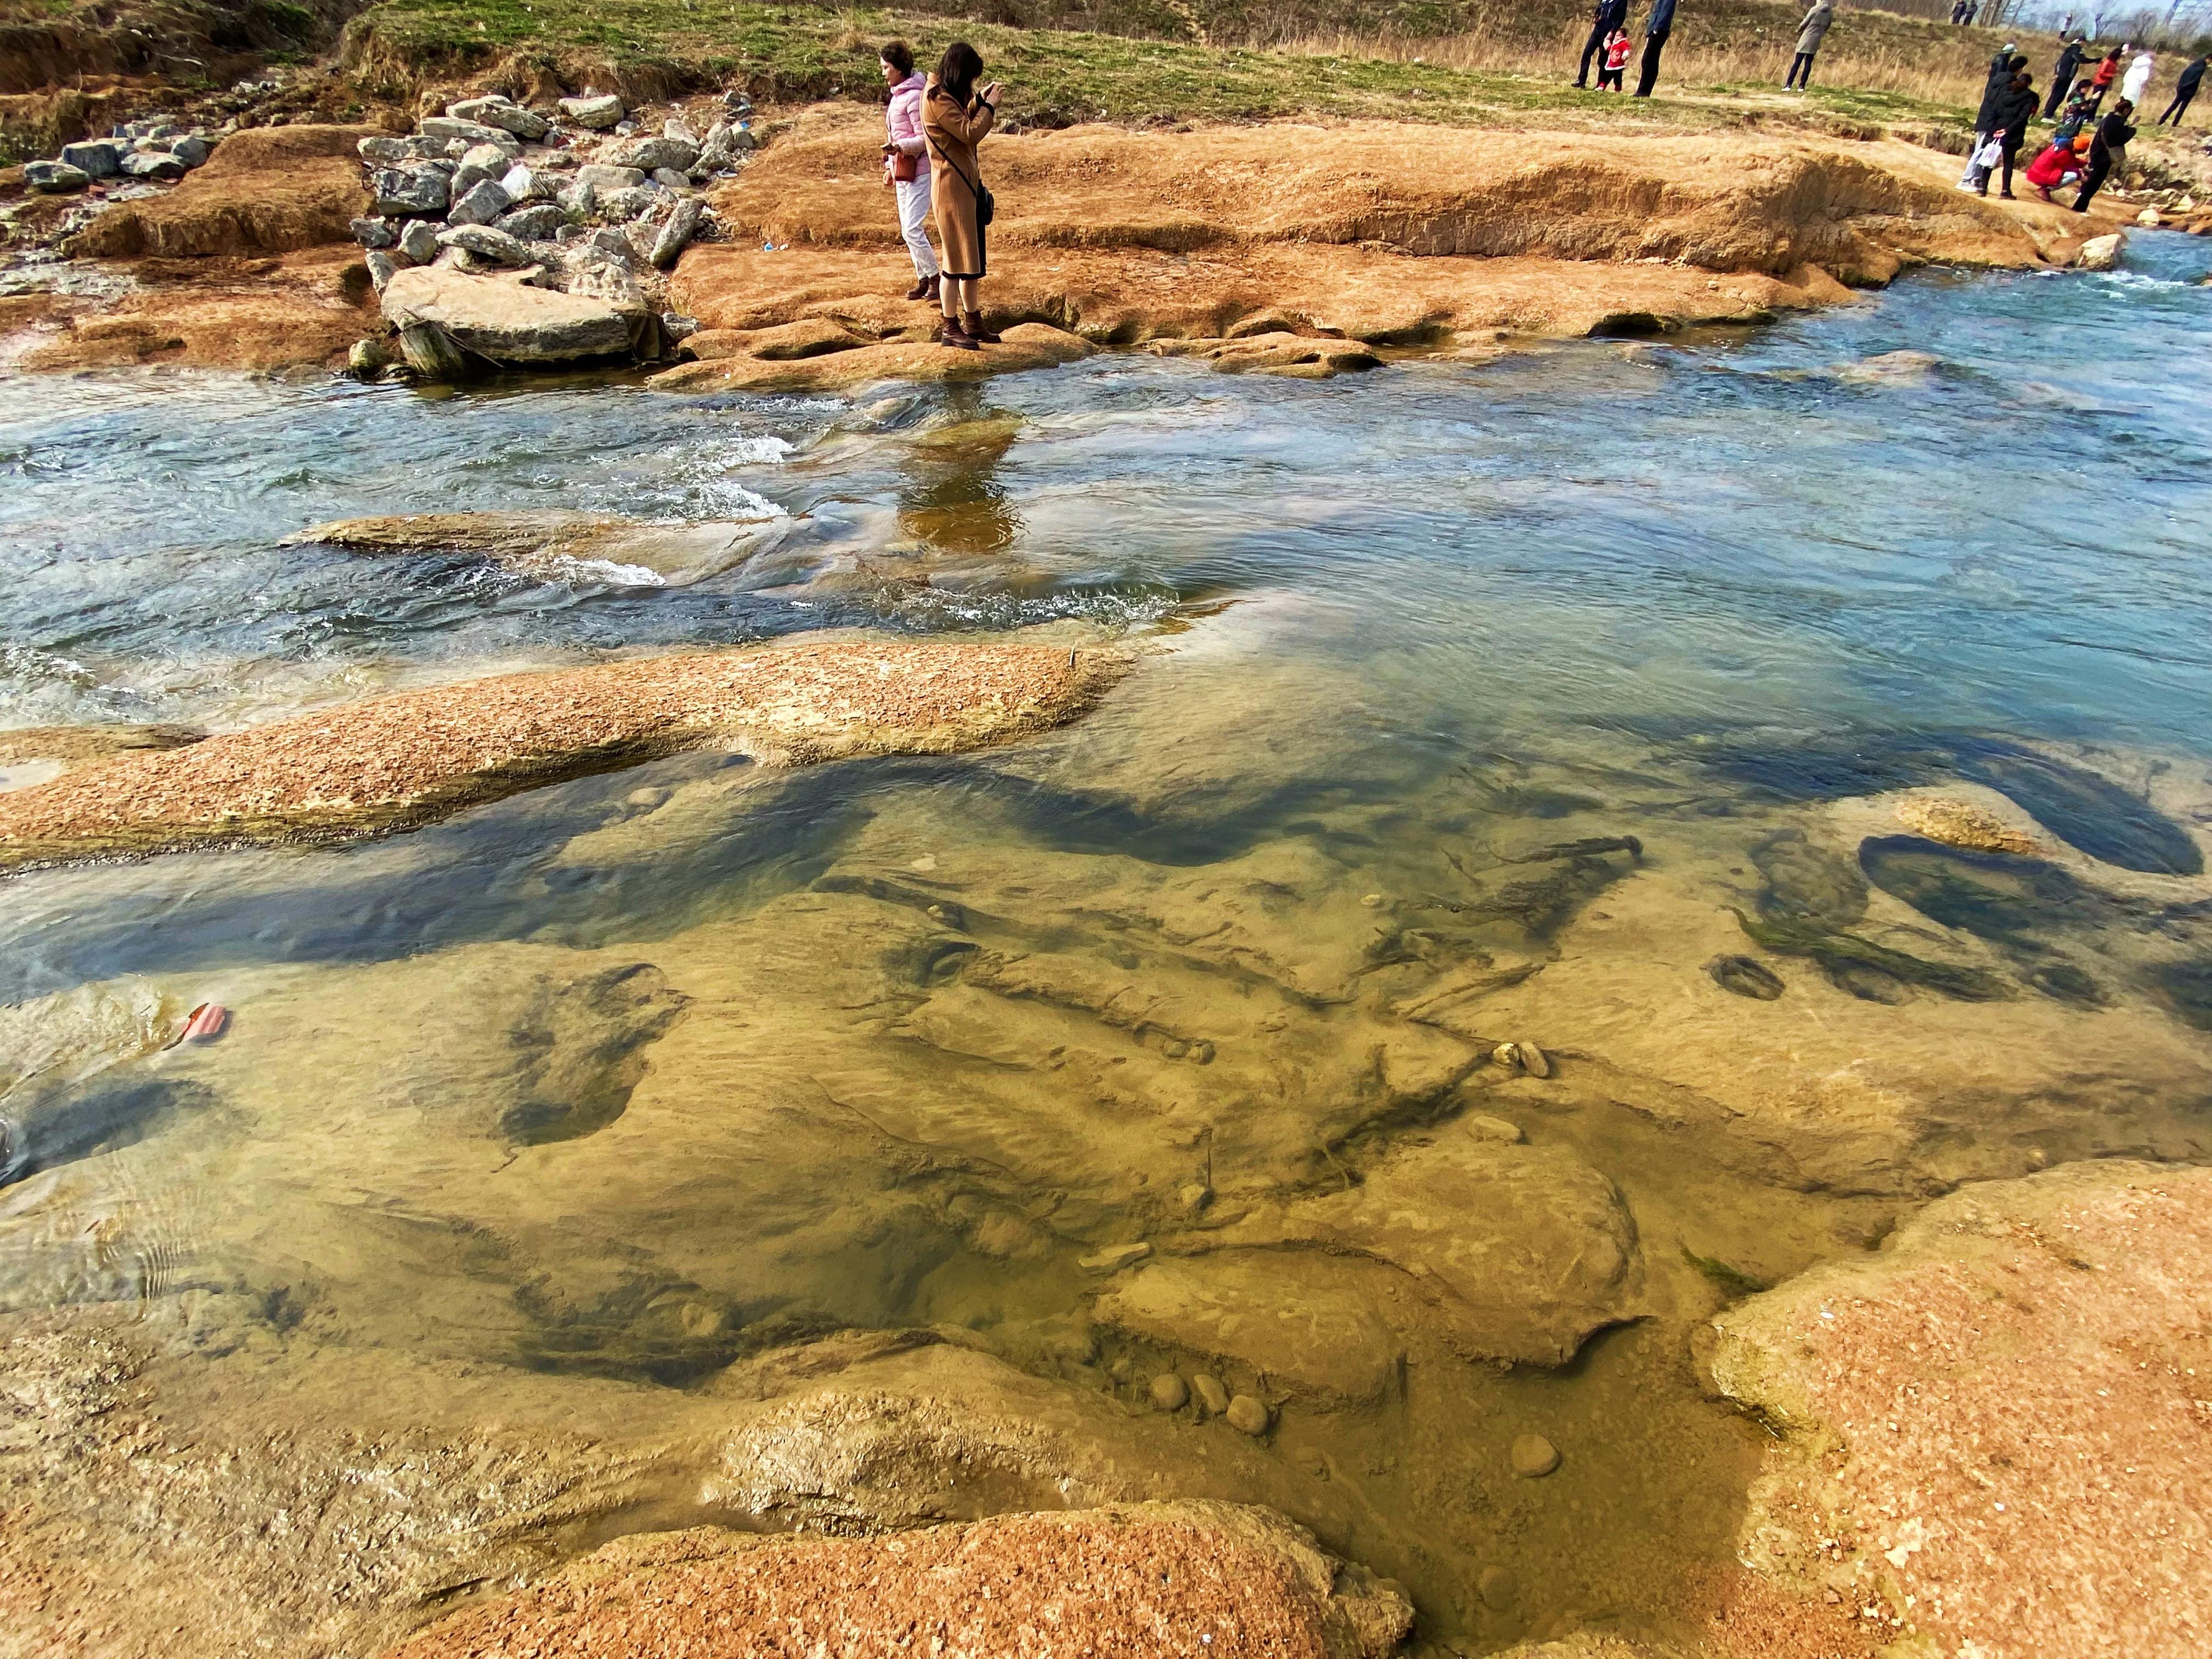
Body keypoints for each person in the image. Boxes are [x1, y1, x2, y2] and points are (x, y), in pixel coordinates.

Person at [923, 41, 1002, 351]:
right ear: (959, 74)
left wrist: (980, 99)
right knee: (954, 263)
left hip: (963, 188)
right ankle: (949, 327)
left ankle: (973, 322)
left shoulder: (944, 94)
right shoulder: (936, 99)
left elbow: (961, 120)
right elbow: (968, 132)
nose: (969, 86)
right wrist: (990, 108)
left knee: (972, 259)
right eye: (969, 80)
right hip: (950, 190)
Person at [878, 42, 939, 304]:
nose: (883, 73)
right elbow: (895, 135)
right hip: (903, 170)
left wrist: (900, 148)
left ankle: (935, 278)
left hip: (920, 171)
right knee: (907, 229)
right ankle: (924, 279)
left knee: (912, 229)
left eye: (886, 67)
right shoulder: (897, 96)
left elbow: (926, 139)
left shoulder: (914, 97)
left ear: (900, 68)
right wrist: (891, 167)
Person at [1962, 47, 2027, 186]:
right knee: (1980, 152)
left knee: (1983, 151)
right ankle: (1966, 180)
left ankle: (1975, 180)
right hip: (1990, 122)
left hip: (1984, 118)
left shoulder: (1996, 78)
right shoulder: (2007, 84)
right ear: (2020, 69)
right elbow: (1999, 106)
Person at [2074, 97, 2135, 212]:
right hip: (2104, 157)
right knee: (2094, 183)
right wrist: (2132, 129)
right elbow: (2119, 139)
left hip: (2097, 152)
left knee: (2091, 180)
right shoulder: (2116, 122)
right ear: (2126, 110)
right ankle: (2079, 208)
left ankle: (2080, 204)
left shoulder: (2109, 118)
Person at [1989, 70, 2039, 198]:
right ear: (2028, 84)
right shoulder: (2029, 98)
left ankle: (1982, 188)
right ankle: (2005, 190)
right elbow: (2022, 118)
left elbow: (1995, 111)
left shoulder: (2003, 94)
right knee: (2008, 163)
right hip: (2013, 133)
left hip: (1997, 130)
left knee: (1989, 157)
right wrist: (2008, 130)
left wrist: (1995, 128)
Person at [1575, 0, 1632, 89]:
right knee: (1586, 53)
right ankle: (1581, 81)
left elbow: (1620, 19)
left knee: (1602, 59)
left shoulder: (1621, 2)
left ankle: (1600, 84)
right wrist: (1596, 17)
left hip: (1608, 33)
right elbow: (1599, 10)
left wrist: (1612, 32)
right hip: (1597, 31)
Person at [2023, 131, 2090, 201]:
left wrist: (2085, 163)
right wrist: (2081, 177)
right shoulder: (2064, 153)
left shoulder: (2064, 145)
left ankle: (2045, 188)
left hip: (2038, 171)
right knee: (2073, 176)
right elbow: (2070, 166)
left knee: (2072, 174)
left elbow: (2071, 161)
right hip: (2041, 175)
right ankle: (2045, 190)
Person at [1785, 0, 1833, 90]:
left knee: (1797, 63)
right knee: (1808, 64)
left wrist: (1798, 30)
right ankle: (1802, 86)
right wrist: (1820, 32)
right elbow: (1828, 26)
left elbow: (1805, 22)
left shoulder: (1815, 10)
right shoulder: (1830, 13)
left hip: (1806, 38)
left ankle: (1788, 85)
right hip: (1816, 40)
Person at [1635, 0, 1677, 97]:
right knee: (1649, 59)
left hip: (1660, 30)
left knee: (1649, 60)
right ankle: (1643, 90)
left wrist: (1656, 29)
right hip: (1655, 29)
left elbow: (1665, 12)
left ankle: (1644, 91)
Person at [2045, 34, 2086, 118]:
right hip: (2066, 78)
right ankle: (2048, 115)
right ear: (2082, 42)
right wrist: (2096, 60)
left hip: (2060, 76)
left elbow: (2059, 63)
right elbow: (2082, 60)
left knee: (2054, 95)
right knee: (2059, 96)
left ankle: (2047, 111)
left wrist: (2057, 73)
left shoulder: (2068, 50)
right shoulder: (2076, 51)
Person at [2160, 55, 2205, 125]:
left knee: (2174, 105)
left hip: (2181, 88)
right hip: (2189, 91)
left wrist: (2181, 86)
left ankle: (2162, 120)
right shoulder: (2202, 68)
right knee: (2182, 108)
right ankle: (2175, 123)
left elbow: (2183, 75)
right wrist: (2188, 87)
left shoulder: (2192, 66)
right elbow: (2195, 80)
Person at [2083, 46, 2121, 112]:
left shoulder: (2114, 63)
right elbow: (2101, 73)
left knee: (2098, 101)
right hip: (2100, 83)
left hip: (2105, 83)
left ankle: (2091, 116)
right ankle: (2088, 114)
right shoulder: (2107, 62)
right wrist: (2112, 76)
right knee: (2095, 100)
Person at [1598, 25, 1633, 89]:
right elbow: (1610, 49)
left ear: (1623, 36)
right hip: (1611, 65)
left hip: (1619, 65)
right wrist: (1607, 44)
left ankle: (1618, 88)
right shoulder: (1614, 44)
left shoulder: (1623, 43)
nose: (1617, 37)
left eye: (1619, 35)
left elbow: (1626, 49)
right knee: (1607, 76)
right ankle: (1602, 86)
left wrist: (1626, 54)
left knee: (1618, 79)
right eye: (1616, 36)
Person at [2121, 46, 2155, 110]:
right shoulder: (2145, 69)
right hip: (2136, 89)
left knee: (2122, 104)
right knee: (2130, 105)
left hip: (2127, 87)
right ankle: (2123, 118)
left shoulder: (2133, 67)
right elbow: (2144, 79)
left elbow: (2125, 78)